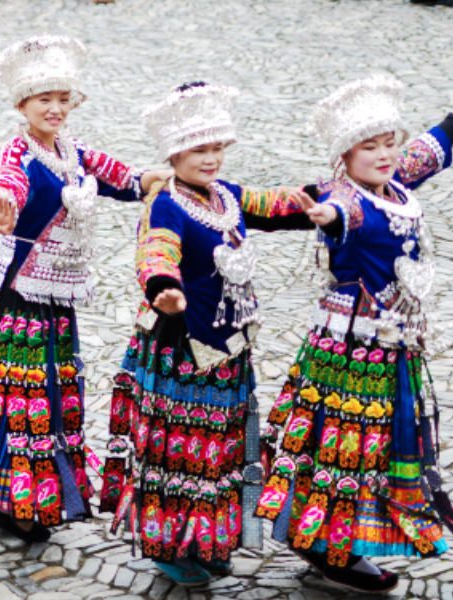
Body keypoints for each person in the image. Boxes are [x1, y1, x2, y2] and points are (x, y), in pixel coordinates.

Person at [0, 35, 169, 544]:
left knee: (48, 392)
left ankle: (36, 492)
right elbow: (3, 185)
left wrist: (151, 178)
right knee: (14, 395)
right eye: (43, 100)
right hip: (17, 295)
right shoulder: (18, 151)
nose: (55, 109)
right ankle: (9, 497)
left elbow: (116, 175)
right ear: (21, 105)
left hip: (58, 297)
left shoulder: (72, 150)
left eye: (62, 99)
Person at [97, 81, 314, 586]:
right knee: (178, 449)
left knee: (218, 448)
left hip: (228, 348)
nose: (211, 159)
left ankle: (209, 538)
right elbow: (156, 250)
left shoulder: (227, 198)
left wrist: (329, 199)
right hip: (179, 348)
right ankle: (170, 544)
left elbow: (279, 204)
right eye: (200, 149)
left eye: (218, 148)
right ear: (174, 152)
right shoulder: (165, 203)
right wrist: (164, 287)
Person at [257, 75, 453, 594]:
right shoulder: (346, 199)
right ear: (345, 154)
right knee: (343, 444)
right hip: (351, 350)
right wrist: (323, 216)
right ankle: (328, 545)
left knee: (378, 444)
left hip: (393, 344)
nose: (386, 154)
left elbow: (435, 149)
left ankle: (338, 538)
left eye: (391, 142)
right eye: (371, 146)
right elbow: (334, 213)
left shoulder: (394, 180)